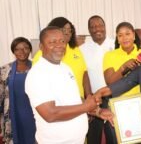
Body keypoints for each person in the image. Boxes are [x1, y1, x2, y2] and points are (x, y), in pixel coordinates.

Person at [25, 26, 98, 144]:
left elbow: (73, 99)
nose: (59, 45)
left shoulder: (65, 67)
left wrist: (97, 110)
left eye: (62, 41)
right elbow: (50, 114)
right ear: (41, 47)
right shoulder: (37, 74)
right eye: (52, 42)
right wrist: (86, 107)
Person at [32, 17, 92, 99]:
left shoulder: (75, 49)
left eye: (70, 30)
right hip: (59, 105)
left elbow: (84, 73)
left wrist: (88, 96)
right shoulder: (40, 55)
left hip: (80, 102)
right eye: (64, 30)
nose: (67, 33)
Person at [79, 15, 115, 144]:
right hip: (95, 98)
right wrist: (89, 97)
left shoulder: (115, 44)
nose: (97, 29)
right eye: (93, 27)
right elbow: (85, 75)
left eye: (99, 25)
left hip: (114, 95)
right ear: (89, 30)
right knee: (94, 135)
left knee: (114, 133)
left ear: (105, 27)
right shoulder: (82, 49)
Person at [0, 37, 36, 144]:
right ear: (13, 51)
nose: (22, 51)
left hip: (35, 113)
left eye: (25, 48)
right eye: (18, 49)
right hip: (13, 114)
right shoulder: (4, 70)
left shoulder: (37, 68)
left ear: (30, 50)